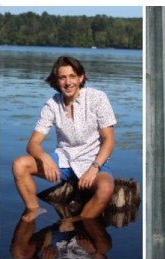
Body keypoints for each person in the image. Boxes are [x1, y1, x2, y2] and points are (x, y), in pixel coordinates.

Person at [12, 56, 116, 223]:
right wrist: (45, 158)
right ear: (57, 80)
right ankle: (34, 210)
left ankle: (78, 222)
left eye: (72, 76)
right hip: (63, 160)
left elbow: (109, 141)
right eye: (62, 77)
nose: (68, 82)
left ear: (81, 77)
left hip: (92, 161)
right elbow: (32, 144)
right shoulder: (52, 105)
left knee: (106, 188)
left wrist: (94, 167)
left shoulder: (98, 98)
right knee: (19, 165)